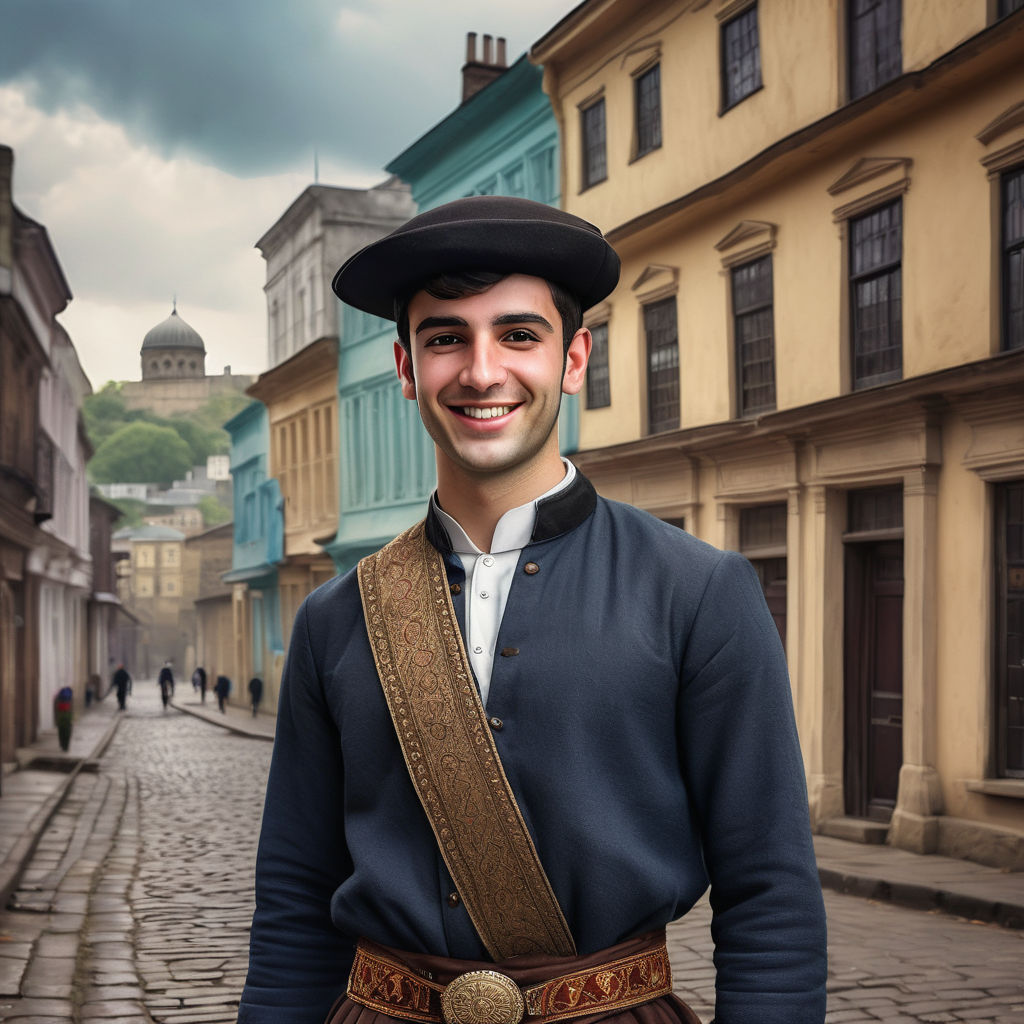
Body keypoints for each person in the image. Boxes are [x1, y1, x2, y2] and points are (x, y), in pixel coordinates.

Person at [240, 197, 827, 1024]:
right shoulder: (336, 619)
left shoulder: (699, 592)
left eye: (519, 335)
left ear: (574, 358)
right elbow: (296, 899)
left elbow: (769, 892)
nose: (482, 372)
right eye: (446, 338)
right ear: (408, 368)